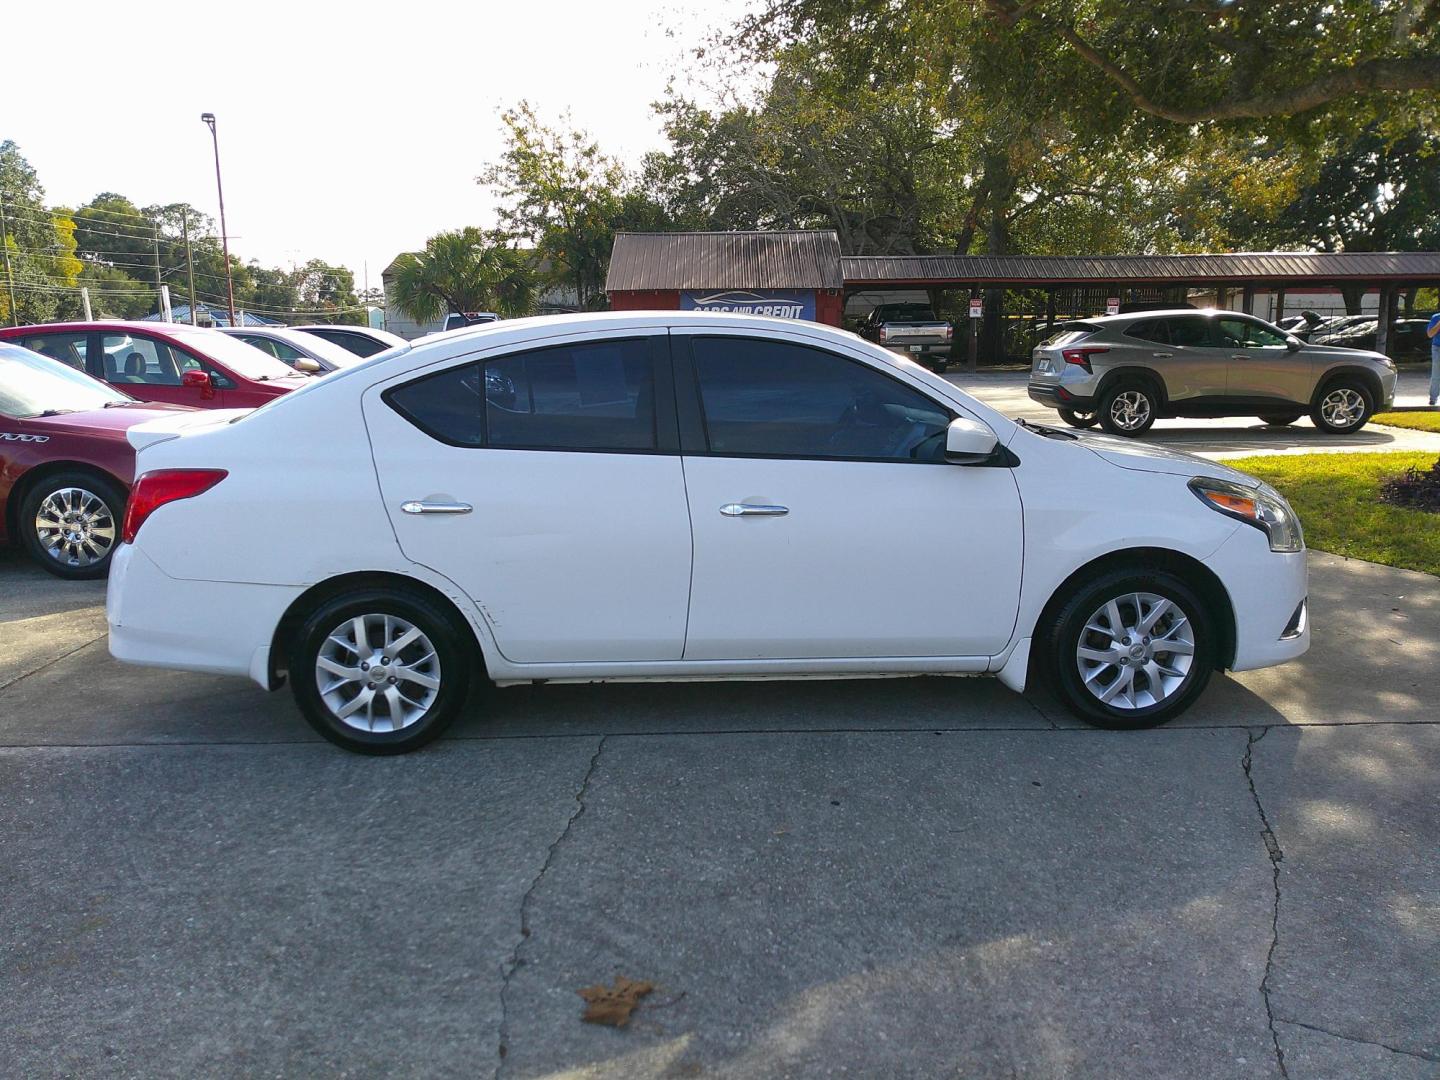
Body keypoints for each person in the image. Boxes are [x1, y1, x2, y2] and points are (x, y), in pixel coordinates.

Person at [1429, 310, 1440, 407]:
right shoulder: (1436, 317)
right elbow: (1430, 334)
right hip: (1438, 348)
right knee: (1436, 374)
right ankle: (1433, 398)